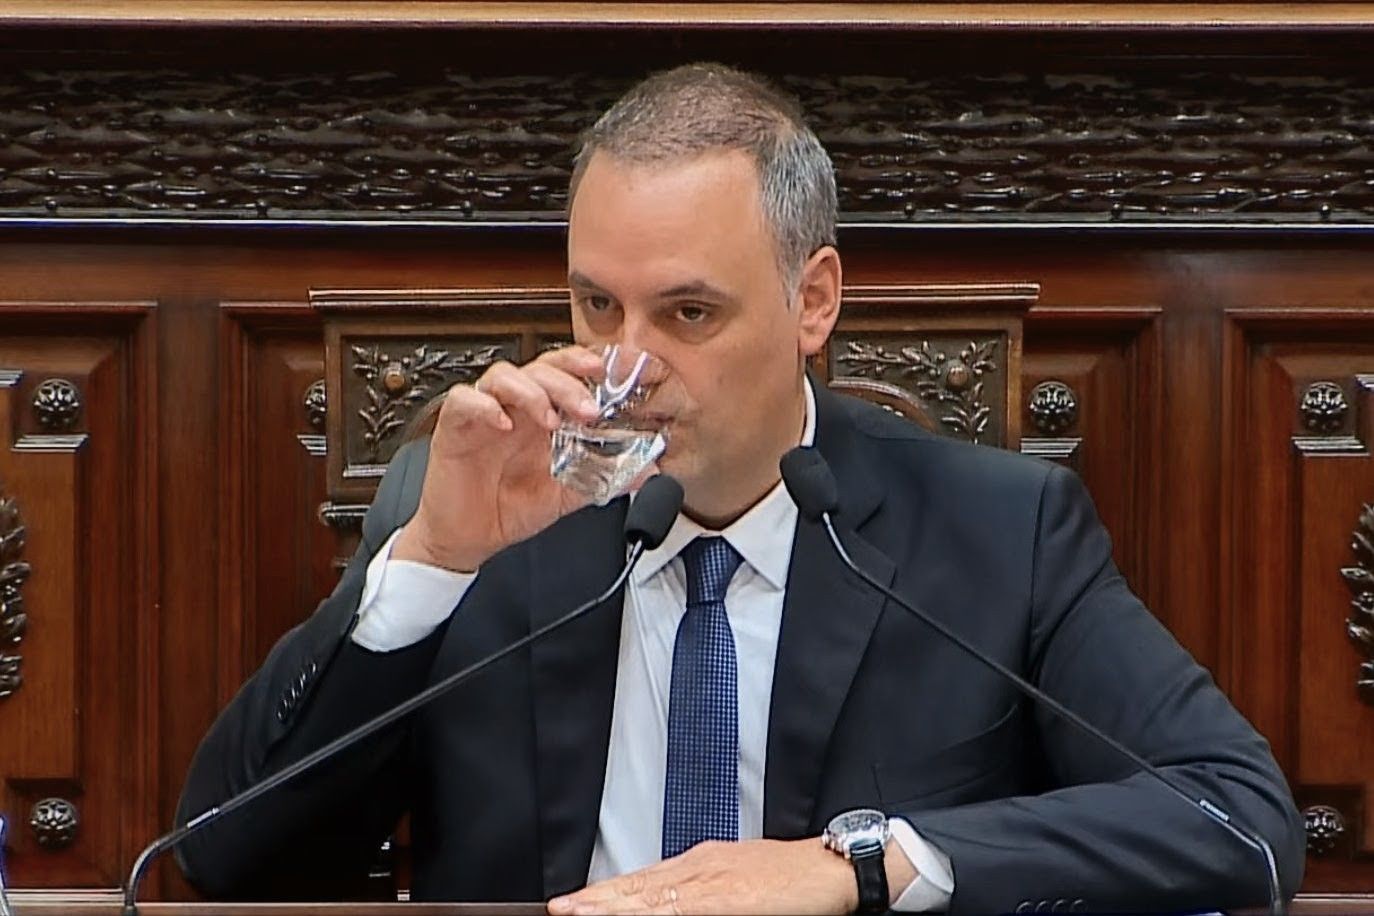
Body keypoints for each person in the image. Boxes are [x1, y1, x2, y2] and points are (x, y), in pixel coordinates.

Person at [176, 63, 1305, 914]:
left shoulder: (994, 530)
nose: (628, 366)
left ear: (812, 302)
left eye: (689, 314)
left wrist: (859, 862)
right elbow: (228, 859)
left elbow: (1238, 820)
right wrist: (428, 564)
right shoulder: (474, 515)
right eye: (595, 308)